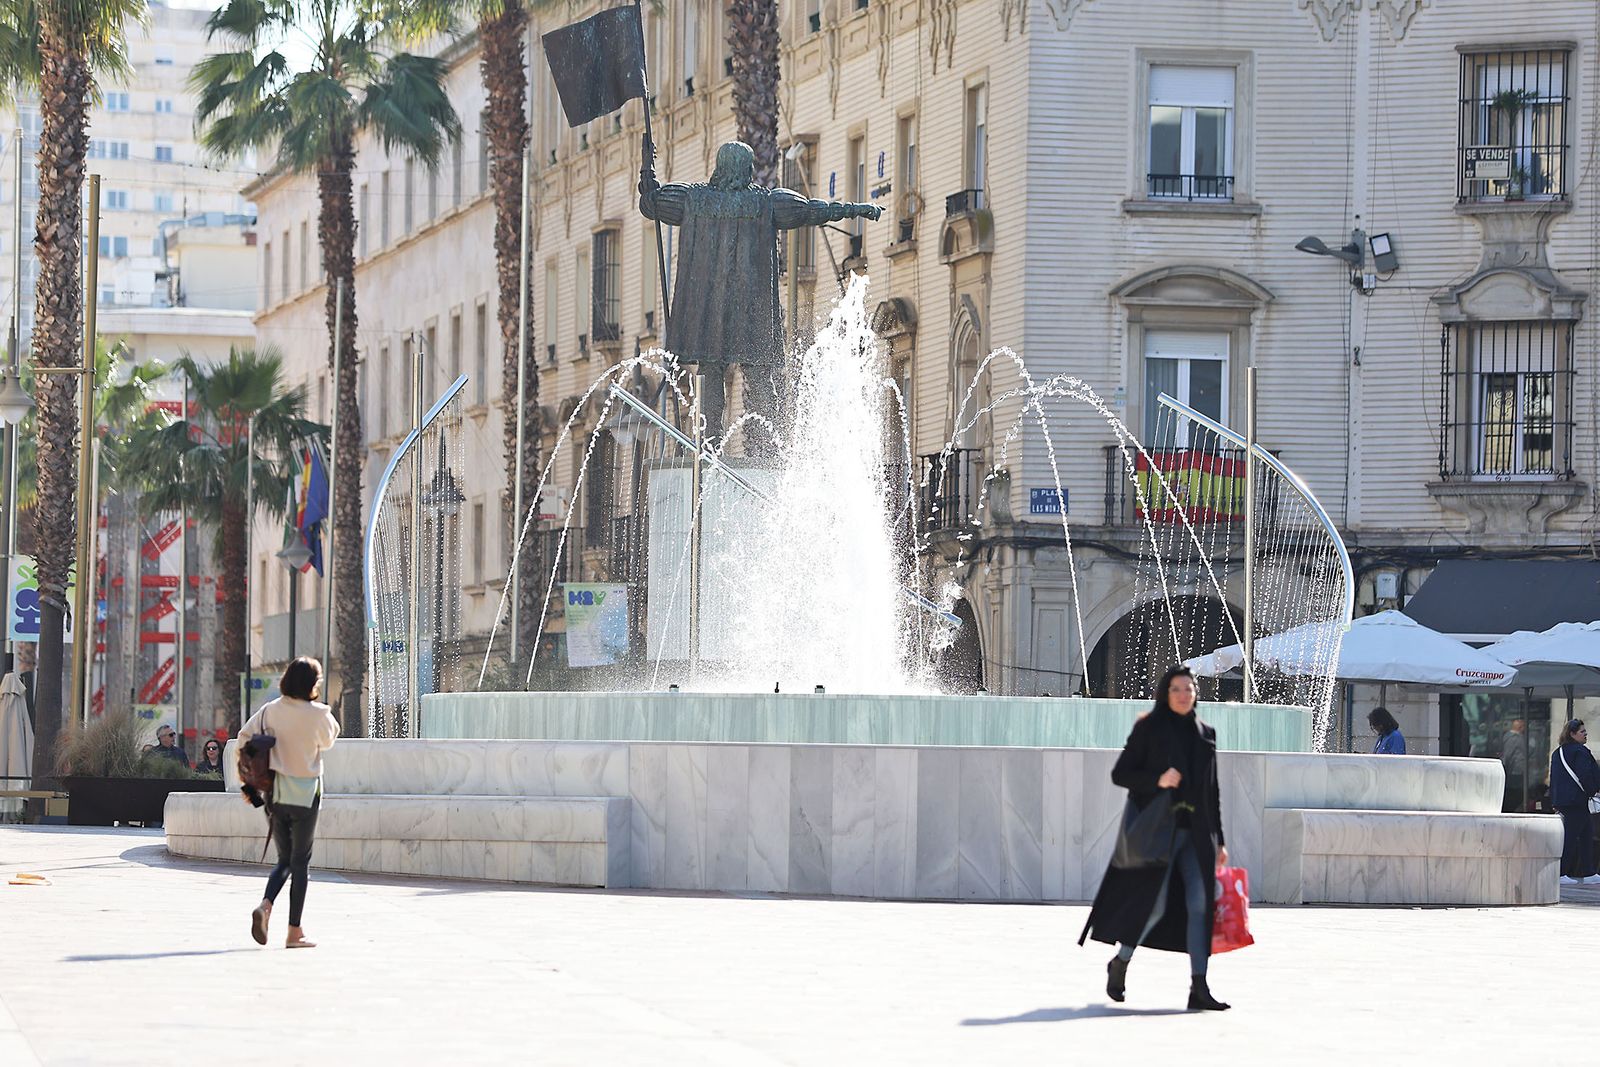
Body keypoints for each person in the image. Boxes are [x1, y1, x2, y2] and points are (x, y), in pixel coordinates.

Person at [1079, 665, 1231, 1012]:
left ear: (1196, 693)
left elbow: (1213, 791)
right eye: (1176, 689)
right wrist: (1158, 780)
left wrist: (1219, 839)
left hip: (1196, 834)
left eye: (1189, 689)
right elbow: (1121, 774)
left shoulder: (1205, 733)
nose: (1183, 694)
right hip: (1156, 834)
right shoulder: (1149, 728)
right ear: (1166, 693)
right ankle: (1121, 961)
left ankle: (1199, 987)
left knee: (1199, 907)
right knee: (1154, 906)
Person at [237, 657, 339, 949]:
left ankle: (266, 905)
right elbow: (330, 739)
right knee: (300, 863)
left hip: (276, 795)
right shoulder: (319, 714)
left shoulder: (270, 711)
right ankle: (294, 932)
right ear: (312, 684)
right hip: (306, 795)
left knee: (283, 860)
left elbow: (244, 737)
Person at [1550, 718, 1600, 886]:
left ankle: (1589, 872)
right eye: (1582, 732)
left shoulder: (1558, 752)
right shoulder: (1580, 751)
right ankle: (1561, 872)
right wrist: (1594, 789)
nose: (1586, 734)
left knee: (1586, 835)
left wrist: (1555, 800)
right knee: (1570, 838)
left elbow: (1555, 778)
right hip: (1577, 801)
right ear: (1572, 734)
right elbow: (1585, 774)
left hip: (1565, 800)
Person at [1501, 717, 1528, 812]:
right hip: (1514, 771)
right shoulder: (1513, 738)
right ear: (1520, 727)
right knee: (1515, 793)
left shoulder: (1517, 737)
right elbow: (1508, 754)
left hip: (1518, 770)